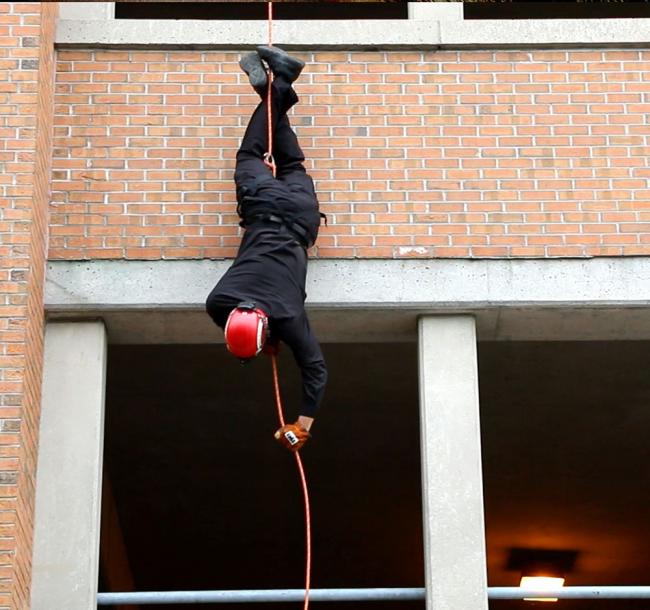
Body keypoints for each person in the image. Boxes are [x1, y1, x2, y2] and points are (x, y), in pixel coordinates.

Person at [206, 46, 327, 452]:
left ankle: (277, 91)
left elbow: (316, 371)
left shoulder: (288, 316)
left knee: (292, 167)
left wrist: (302, 425)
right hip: (261, 207)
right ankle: (275, 91)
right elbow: (249, 304)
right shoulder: (218, 302)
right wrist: (270, 333)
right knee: (251, 154)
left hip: (300, 215)